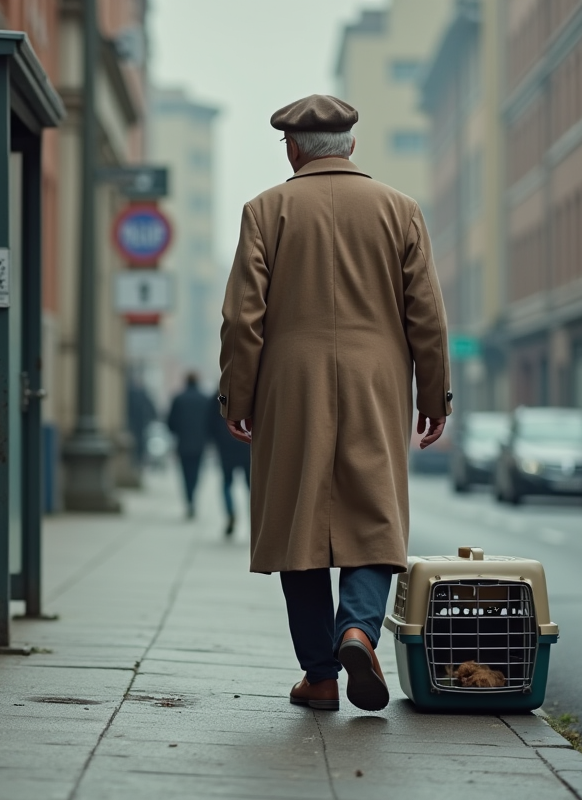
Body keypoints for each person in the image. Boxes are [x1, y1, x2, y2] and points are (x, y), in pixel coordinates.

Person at [217, 94, 451, 713]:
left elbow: (243, 318)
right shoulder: (399, 210)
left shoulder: (265, 210)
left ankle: (320, 676)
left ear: (292, 147)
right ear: (351, 145)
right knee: (374, 515)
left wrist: (238, 395)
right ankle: (358, 631)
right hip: (378, 382)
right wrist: (433, 394)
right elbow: (425, 314)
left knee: (300, 522)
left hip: (290, 384)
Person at [207, 385, 250, 537]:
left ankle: (230, 513)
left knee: (226, 484)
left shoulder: (218, 396)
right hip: (246, 446)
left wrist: (217, 441)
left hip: (226, 448)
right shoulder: (249, 391)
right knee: (251, 487)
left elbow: (210, 422)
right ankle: (253, 518)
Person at [166, 371, 210, 519]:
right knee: (196, 473)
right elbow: (211, 423)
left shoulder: (178, 399)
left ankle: (189, 499)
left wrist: (178, 432)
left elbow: (170, 422)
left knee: (185, 474)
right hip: (200, 444)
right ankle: (193, 496)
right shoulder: (205, 399)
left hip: (183, 444)